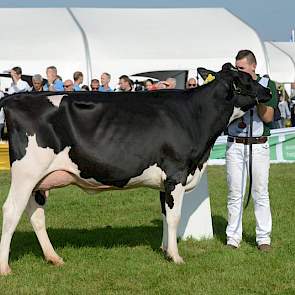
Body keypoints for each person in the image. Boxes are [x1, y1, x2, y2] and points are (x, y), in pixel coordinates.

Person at [226, 49, 278, 252]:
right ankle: (233, 238)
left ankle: (263, 238)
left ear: (253, 66)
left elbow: (268, 118)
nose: (238, 71)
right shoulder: (232, 85)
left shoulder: (267, 85)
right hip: (235, 143)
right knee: (234, 192)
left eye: (241, 68)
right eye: (236, 67)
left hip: (259, 144)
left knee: (260, 191)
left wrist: (255, 96)